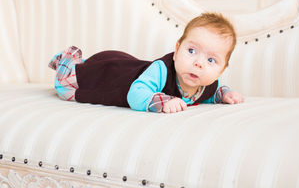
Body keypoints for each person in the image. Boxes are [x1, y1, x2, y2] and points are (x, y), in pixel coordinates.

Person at [48, 13, 244, 113]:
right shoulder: (161, 70)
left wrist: (225, 94)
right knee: (66, 88)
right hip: (109, 71)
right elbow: (136, 95)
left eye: (211, 60)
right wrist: (163, 102)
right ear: (177, 51)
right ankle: (68, 60)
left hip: (128, 64)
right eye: (191, 51)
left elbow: (213, 92)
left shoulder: (207, 84)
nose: (198, 63)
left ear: (221, 70)